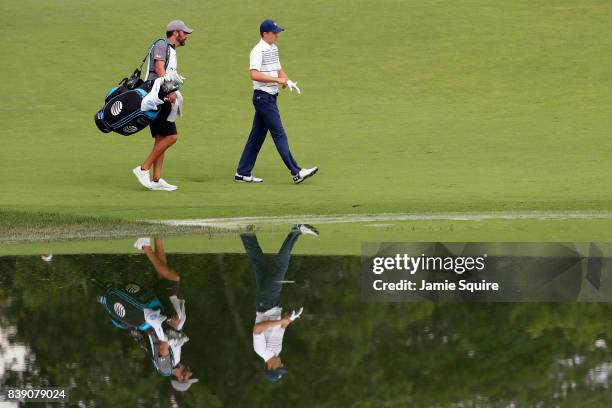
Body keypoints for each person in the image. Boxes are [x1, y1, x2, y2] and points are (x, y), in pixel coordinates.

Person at [235, 19, 318, 184]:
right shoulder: (257, 51)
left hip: (271, 97)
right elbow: (254, 74)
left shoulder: (273, 48)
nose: (277, 35)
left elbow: (278, 69)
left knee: (257, 136)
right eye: (274, 33)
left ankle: (242, 173)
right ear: (265, 34)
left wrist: (286, 80)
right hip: (263, 97)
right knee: (279, 134)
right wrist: (277, 80)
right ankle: (296, 172)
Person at [241, 225, 318, 381]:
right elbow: (281, 326)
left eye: (279, 367)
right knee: (259, 262)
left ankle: (297, 231)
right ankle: (245, 233)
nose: (281, 364)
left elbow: (257, 328)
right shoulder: (277, 350)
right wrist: (289, 319)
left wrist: (280, 321)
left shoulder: (261, 351)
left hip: (265, 304)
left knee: (280, 267)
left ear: (270, 367)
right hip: (272, 303)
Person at [132, 20, 193, 191]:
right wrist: (170, 90)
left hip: (161, 97)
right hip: (158, 96)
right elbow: (159, 69)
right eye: (184, 32)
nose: (186, 36)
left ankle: (157, 179)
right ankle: (143, 169)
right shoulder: (162, 44)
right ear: (176, 33)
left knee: (161, 138)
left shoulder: (171, 50)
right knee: (171, 137)